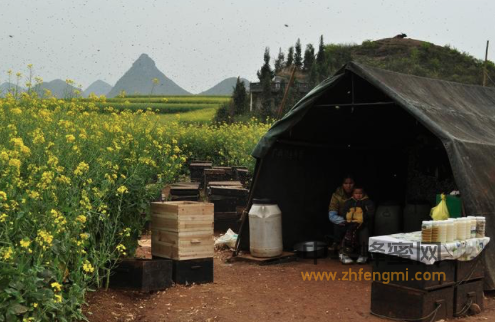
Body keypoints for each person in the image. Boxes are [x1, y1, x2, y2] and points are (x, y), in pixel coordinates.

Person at [340, 185, 375, 264]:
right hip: (351, 224)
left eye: (360, 193)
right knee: (347, 236)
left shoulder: (367, 202)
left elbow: (370, 213)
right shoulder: (349, 202)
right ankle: (344, 254)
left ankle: (363, 255)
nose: (358, 195)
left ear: (364, 193)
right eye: (356, 193)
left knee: (364, 235)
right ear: (353, 194)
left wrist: (360, 218)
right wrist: (349, 217)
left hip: (363, 224)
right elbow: (344, 212)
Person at [328, 175, 355, 252]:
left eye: (351, 183)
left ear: (354, 184)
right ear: (342, 184)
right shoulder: (336, 195)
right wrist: (345, 221)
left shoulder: (359, 193)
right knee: (337, 223)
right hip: (343, 221)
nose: (348, 186)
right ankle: (337, 244)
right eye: (346, 183)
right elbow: (332, 216)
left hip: (357, 220)